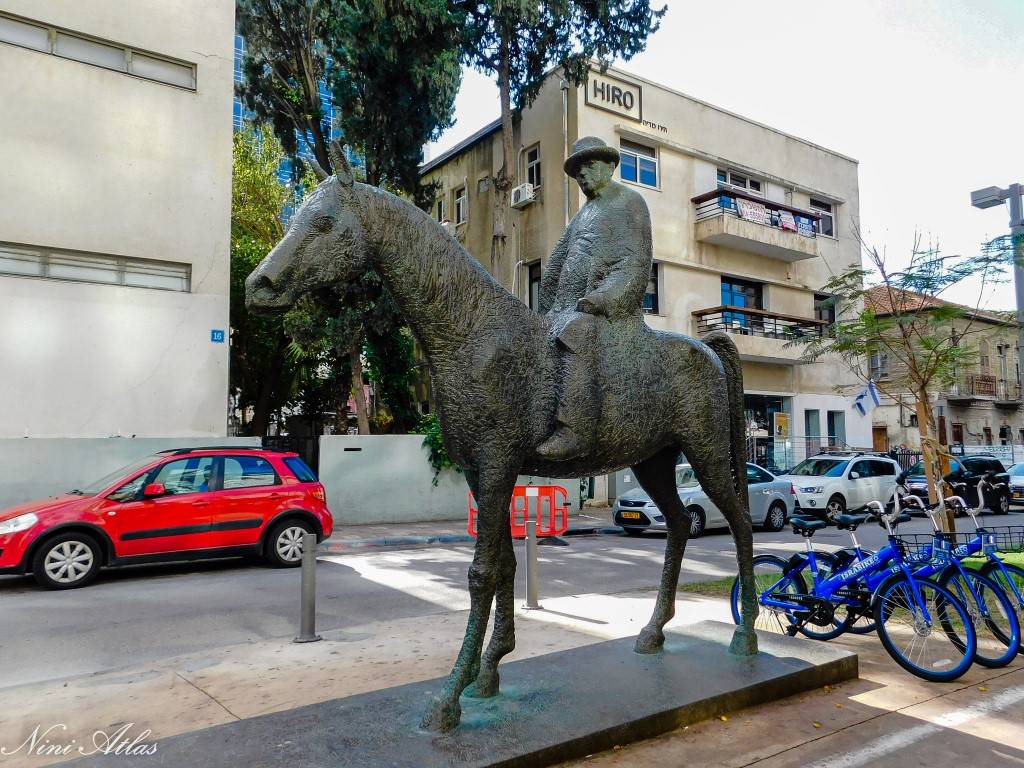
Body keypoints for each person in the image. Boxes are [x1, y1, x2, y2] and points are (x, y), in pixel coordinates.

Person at [535, 136, 653, 460]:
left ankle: (575, 429)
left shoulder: (631, 203)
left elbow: (636, 262)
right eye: (577, 170)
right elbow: (558, 262)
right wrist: (543, 310)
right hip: (566, 308)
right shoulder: (581, 215)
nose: (582, 174)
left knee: (578, 331)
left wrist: (603, 298)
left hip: (607, 312)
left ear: (610, 166)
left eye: (588, 165)